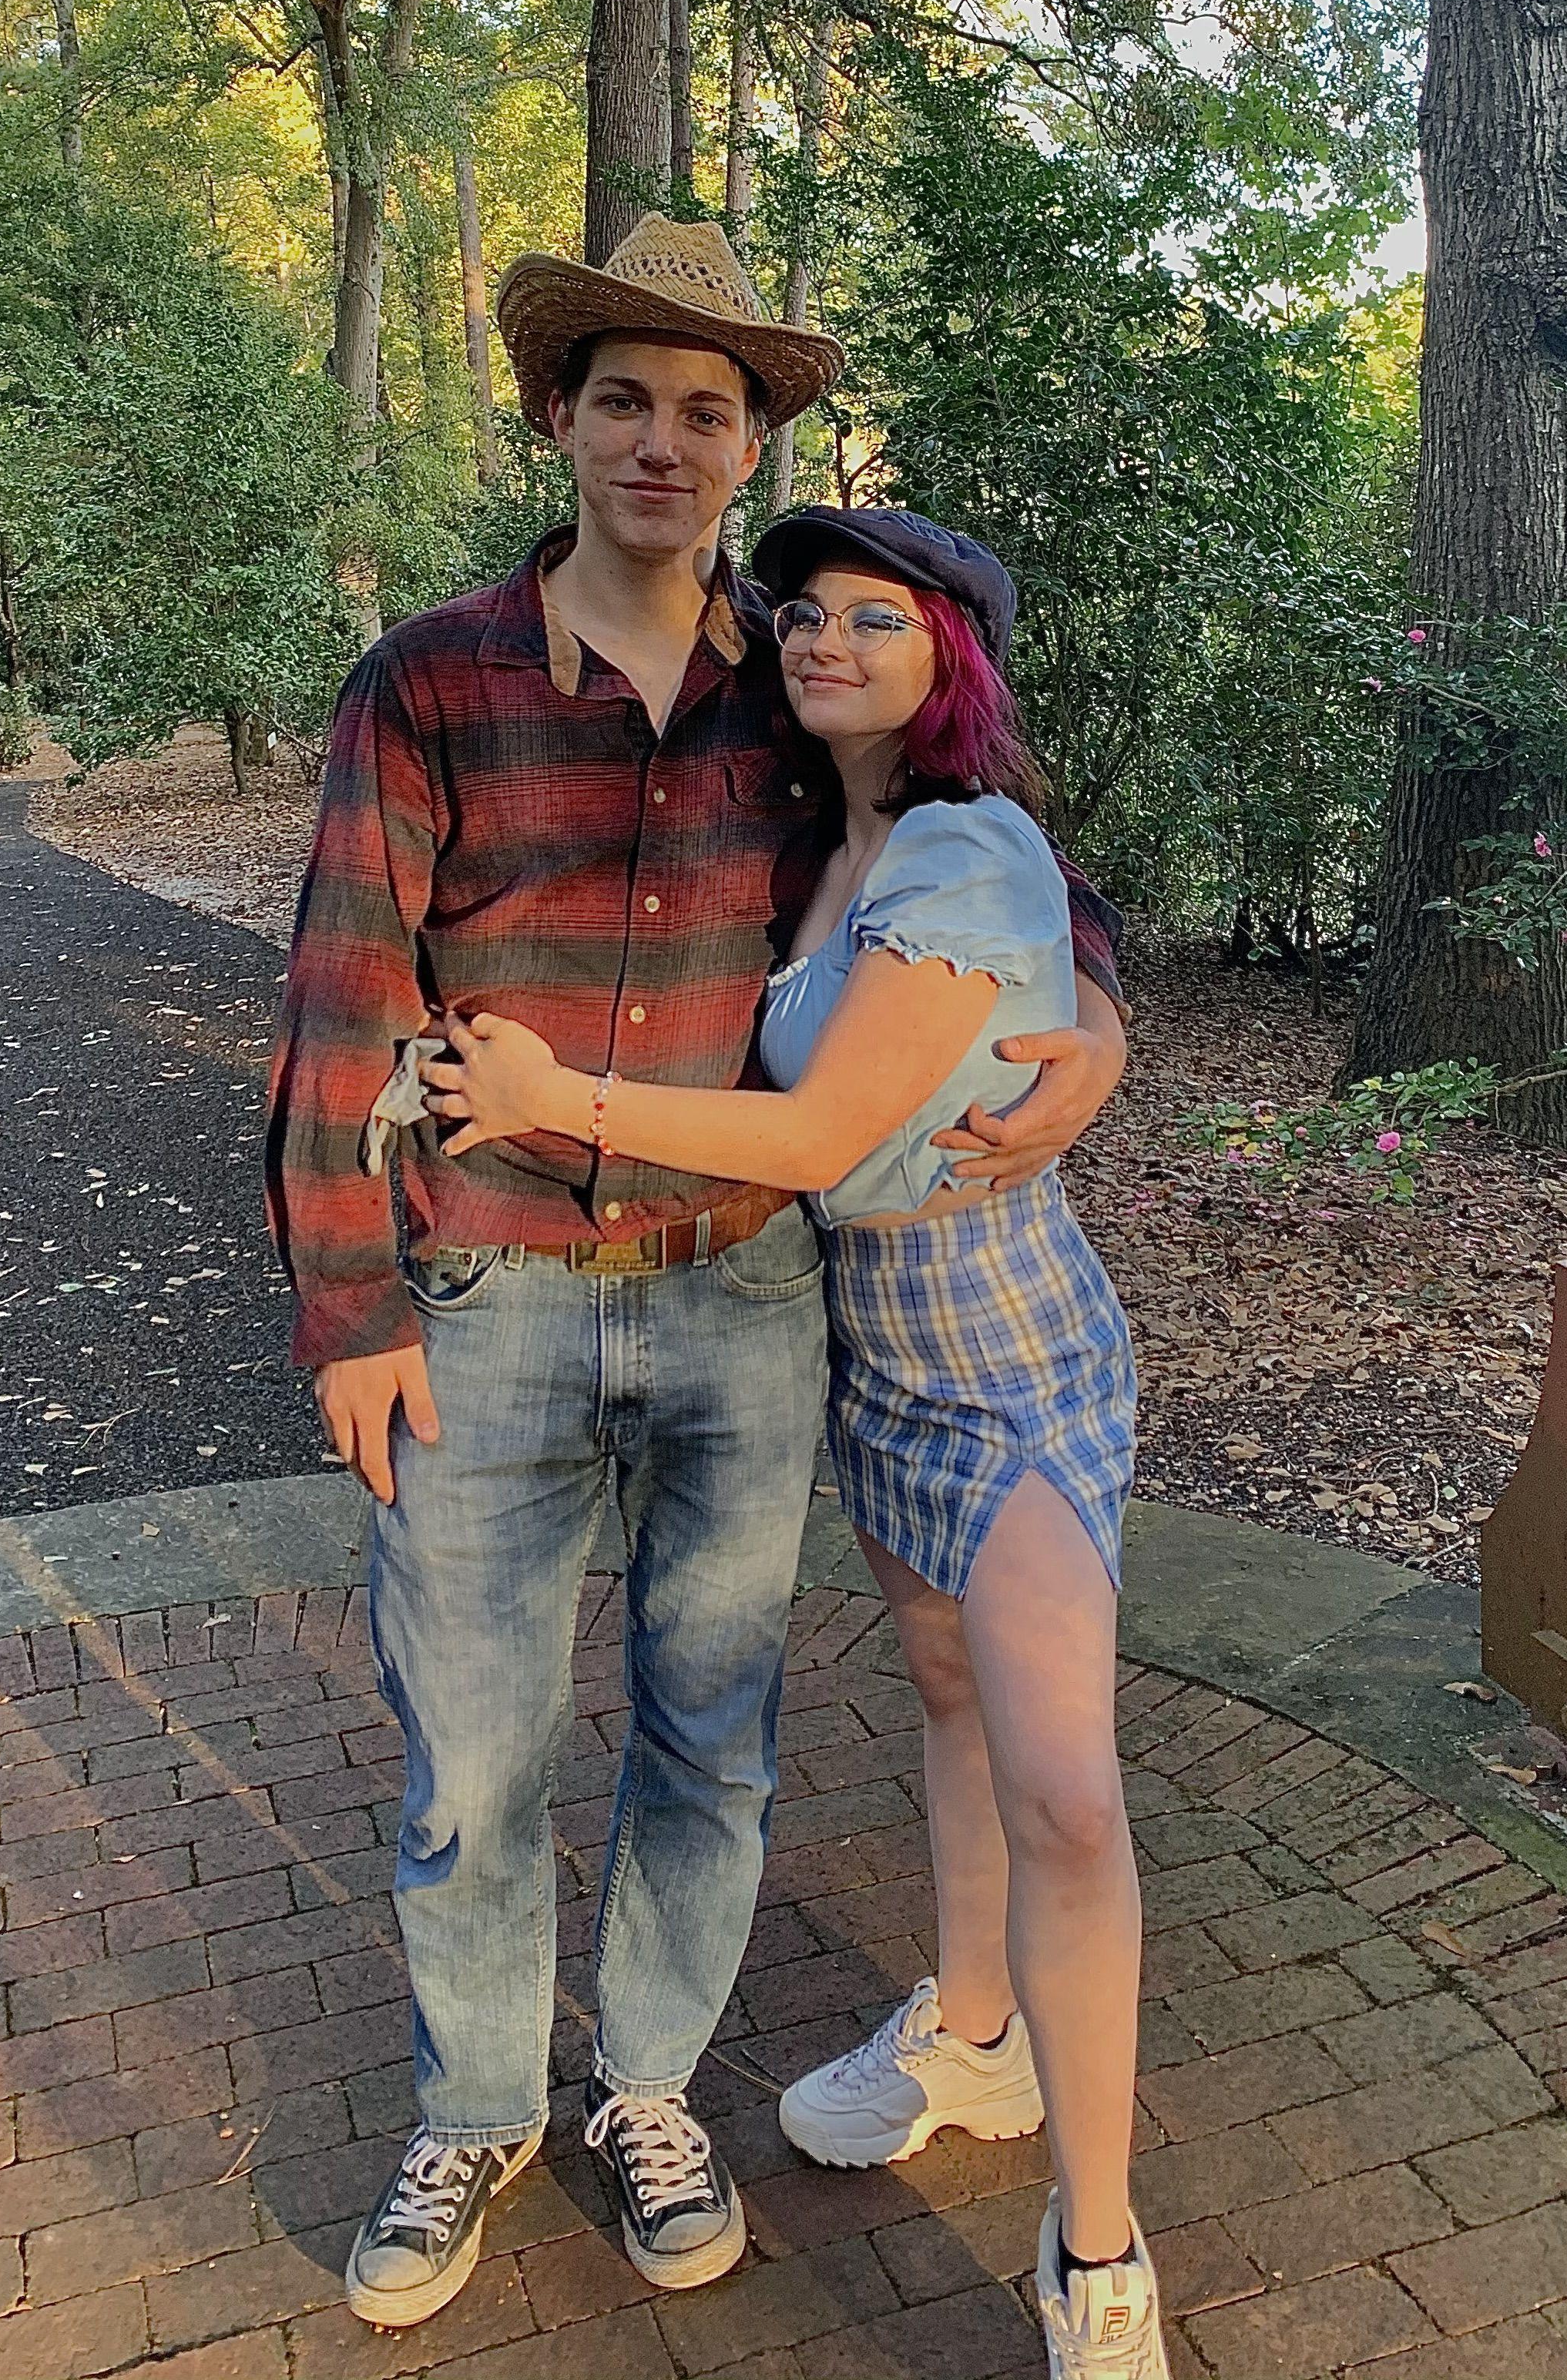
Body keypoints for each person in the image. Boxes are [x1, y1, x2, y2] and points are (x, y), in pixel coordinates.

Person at [262, 217, 1132, 2333]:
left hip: (750, 1301)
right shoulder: (436, 686)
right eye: (627, 399)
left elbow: (995, 877)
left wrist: (1093, 1038)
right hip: (489, 1299)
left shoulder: (805, 676)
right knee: (470, 1756)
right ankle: (474, 2106)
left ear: (750, 446)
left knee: (711, 1735)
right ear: (557, 420)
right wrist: (352, 1307)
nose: (666, 439)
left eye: (710, 409)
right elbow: (343, 1004)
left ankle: (646, 2086)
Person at [427, 504, 1169, 2380]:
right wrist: (1094, 1021)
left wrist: (544, 1096)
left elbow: (833, 1130)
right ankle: (974, 2030)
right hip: (868, 1347)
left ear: (951, 665)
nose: (830, 639)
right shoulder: (818, 835)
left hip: (1001, 1340)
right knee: (940, 1698)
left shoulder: (964, 842)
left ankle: (1098, 2251)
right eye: (810, 612)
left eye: (880, 619)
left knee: (1066, 1785)